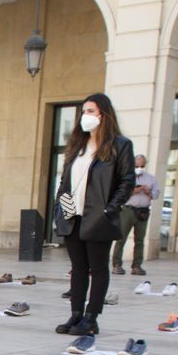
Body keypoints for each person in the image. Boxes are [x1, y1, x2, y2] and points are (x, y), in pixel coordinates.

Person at [55, 92, 137, 337]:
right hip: (73, 216)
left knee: (98, 268)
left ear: (103, 114)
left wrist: (110, 208)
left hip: (98, 216)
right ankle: (76, 314)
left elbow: (127, 181)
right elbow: (65, 181)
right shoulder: (77, 146)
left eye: (90, 111)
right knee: (78, 268)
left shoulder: (120, 145)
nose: (85, 116)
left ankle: (92, 318)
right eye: (83, 111)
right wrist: (62, 205)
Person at [113, 154, 157, 277]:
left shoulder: (151, 179)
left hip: (142, 211)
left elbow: (156, 194)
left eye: (142, 165)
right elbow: (119, 193)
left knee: (140, 240)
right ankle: (117, 264)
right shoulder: (126, 177)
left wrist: (149, 192)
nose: (139, 168)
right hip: (128, 210)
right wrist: (133, 191)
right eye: (137, 166)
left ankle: (137, 266)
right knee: (121, 238)